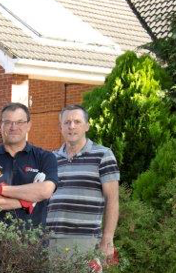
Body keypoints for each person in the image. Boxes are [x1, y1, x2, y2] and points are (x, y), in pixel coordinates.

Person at [46, 104, 120, 256]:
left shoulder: (103, 155)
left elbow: (112, 199)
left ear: (87, 126)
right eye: (66, 122)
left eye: (77, 122)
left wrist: (107, 238)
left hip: (87, 241)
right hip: (51, 240)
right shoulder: (51, 158)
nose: (71, 126)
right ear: (60, 127)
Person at [0, 103, 58, 229]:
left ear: (29, 125)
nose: (13, 127)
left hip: (32, 244)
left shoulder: (45, 157)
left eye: (20, 122)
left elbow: (45, 191)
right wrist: (25, 202)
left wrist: (1, 190)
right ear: (1, 125)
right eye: (8, 122)